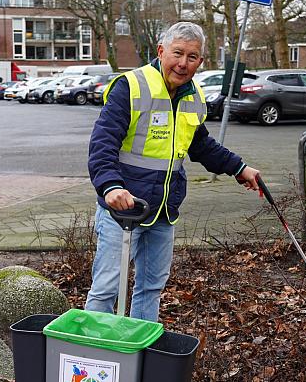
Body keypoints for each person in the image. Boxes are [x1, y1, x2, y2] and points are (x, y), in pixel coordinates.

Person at [86, 21, 261, 322]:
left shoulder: (192, 97)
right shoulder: (131, 86)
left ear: (200, 62)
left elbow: (202, 146)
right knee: (106, 288)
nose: (183, 63)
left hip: (164, 211)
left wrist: (240, 168)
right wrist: (110, 186)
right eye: (177, 53)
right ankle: (91, 358)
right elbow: (103, 144)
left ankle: (140, 353)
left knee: (151, 288)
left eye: (192, 57)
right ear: (161, 51)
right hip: (124, 209)